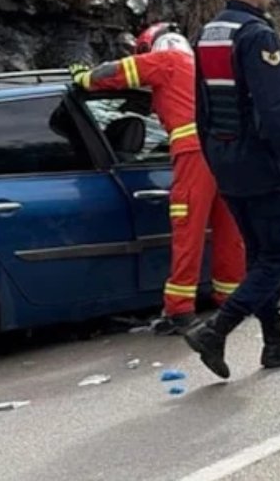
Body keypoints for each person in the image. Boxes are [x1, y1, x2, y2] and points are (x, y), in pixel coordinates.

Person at [185, 0, 280, 378]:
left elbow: (201, 107)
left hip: (224, 159)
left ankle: (276, 340)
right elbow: (277, 110)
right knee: (279, 254)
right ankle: (216, 330)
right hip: (258, 161)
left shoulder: (208, 34)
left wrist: (213, 158)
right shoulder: (257, 36)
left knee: (260, 253)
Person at [70, 22, 246, 335]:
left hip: (193, 154)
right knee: (228, 227)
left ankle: (180, 310)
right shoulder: (200, 66)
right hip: (224, 152)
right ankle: (232, 298)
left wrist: (83, 76)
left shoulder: (167, 63)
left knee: (187, 228)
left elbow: (114, 72)